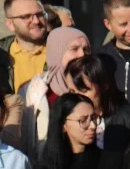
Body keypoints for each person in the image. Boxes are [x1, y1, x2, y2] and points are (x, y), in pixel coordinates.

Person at [20, 27, 90, 161]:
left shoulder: (96, 86)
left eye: (86, 49)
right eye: (74, 49)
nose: (82, 55)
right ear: (57, 52)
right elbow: (24, 140)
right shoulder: (32, 90)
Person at [64, 55, 130, 154]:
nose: (77, 97)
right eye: (72, 92)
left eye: (83, 90)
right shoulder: (68, 122)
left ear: (103, 86)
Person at [3, 0, 48, 94]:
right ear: (10, 24)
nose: (36, 21)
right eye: (26, 17)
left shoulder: (64, 50)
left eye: (40, 15)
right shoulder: (2, 56)